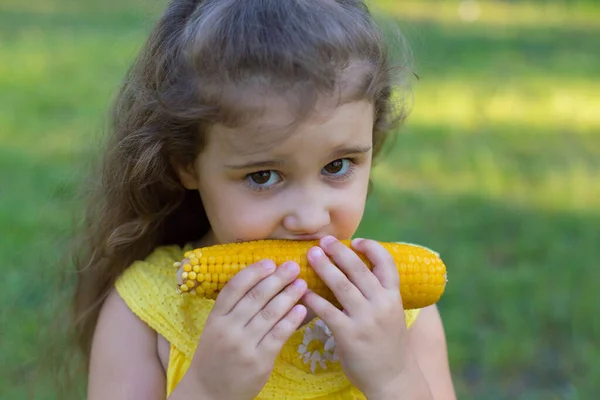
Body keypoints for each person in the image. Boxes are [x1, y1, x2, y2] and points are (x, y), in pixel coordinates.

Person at [74, 0, 456, 398]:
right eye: (263, 176)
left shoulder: (399, 310)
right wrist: (207, 388)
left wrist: (393, 377)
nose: (309, 217)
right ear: (186, 165)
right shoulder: (145, 312)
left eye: (338, 166)